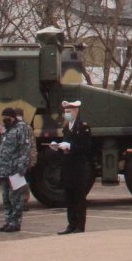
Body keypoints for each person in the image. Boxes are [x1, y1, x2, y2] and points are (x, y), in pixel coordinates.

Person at [52, 100, 94, 234]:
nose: (66, 114)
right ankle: (71, 224)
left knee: (79, 197)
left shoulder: (83, 127)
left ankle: (80, 226)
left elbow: (87, 148)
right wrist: (58, 147)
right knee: (69, 197)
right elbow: (66, 145)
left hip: (79, 167)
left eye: (69, 111)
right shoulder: (67, 127)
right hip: (68, 167)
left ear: (76, 112)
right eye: (65, 112)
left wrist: (70, 147)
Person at [0, 106, 32, 233]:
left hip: (15, 170)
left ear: (13, 117)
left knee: (15, 198)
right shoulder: (4, 128)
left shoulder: (22, 128)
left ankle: (15, 223)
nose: (5, 120)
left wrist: (21, 167)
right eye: (3, 118)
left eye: (7, 118)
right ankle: (8, 221)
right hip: (3, 169)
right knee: (6, 198)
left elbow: (25, 148)